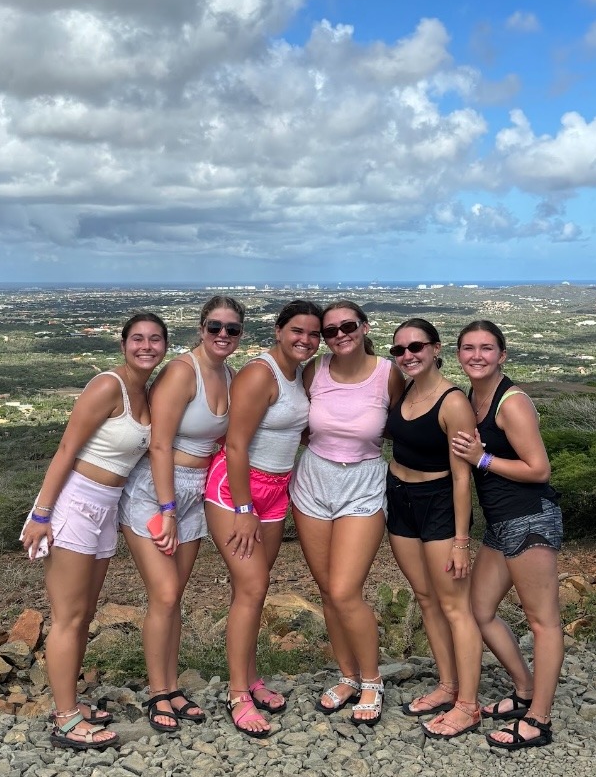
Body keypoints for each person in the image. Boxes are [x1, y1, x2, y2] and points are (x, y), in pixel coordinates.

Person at [21, 313, 169, 751]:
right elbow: (67, 448)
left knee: (84, 614)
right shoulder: (109, 386)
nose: (146, 346)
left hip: (106, 507)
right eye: (137, 339)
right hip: (75, 503)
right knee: (68, 616)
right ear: (123, 345)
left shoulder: (146, 392)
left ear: (165, 346)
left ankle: (69, 704)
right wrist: (42, 513)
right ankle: (65, 719)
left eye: (155, 339)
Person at [118, 296, 244, 733]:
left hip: (196, 491)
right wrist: (167, 508)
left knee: (174, 598)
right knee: (166, 594)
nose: (223, 335)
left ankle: (171, 688)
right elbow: (159, 444)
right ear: (201, 328)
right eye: (215, 327)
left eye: (231, 329)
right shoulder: (180, 372)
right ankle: (157, 692)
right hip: (157, 491)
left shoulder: (229, 375)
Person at [205, 300, 323, 738]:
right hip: (237, 489)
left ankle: (251, 678)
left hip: (277, 488)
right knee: (253, 586)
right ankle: (237, 694)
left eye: (313, 334)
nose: (305, 340)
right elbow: (236, 444)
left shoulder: (297, 375)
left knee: (252, 588)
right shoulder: (261, 373)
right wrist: (243, 509)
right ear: (278, 330)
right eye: (297, 331)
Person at [451, 319, 564, 750]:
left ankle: (539, 719)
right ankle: (525, 689)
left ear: (502, 355)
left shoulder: (510, 403)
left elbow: (539, 469)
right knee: (479, 609)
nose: (477, 355)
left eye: (486, 348)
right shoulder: (470, 398)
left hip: (531, 518)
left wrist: (482, 459)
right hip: (501, 523)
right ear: (458, 354)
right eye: (468, 348)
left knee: (542, 621)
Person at [291, 301, 405, 725]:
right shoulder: (314, 371)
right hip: (314, 481)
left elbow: (405, 423)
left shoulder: (387, 374)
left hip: (362, 484)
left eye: (348, 326)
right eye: (330, 330)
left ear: (364, 327)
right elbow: (299, 424)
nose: (340, 334)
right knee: (327, 591)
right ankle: (347, 675)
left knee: (344, 591)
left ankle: (372, 679)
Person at [384, 319, 480, 739]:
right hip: (400, 498)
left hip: (438, 502)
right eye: (399, 349)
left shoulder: (452, 402)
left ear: (436, 348)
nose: (408, 355)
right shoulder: (405, 389)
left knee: (455, 606)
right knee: (425, 597)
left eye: (416, 347)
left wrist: (461, 541)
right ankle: (447, 684)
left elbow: (462, 477)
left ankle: (468, 705)